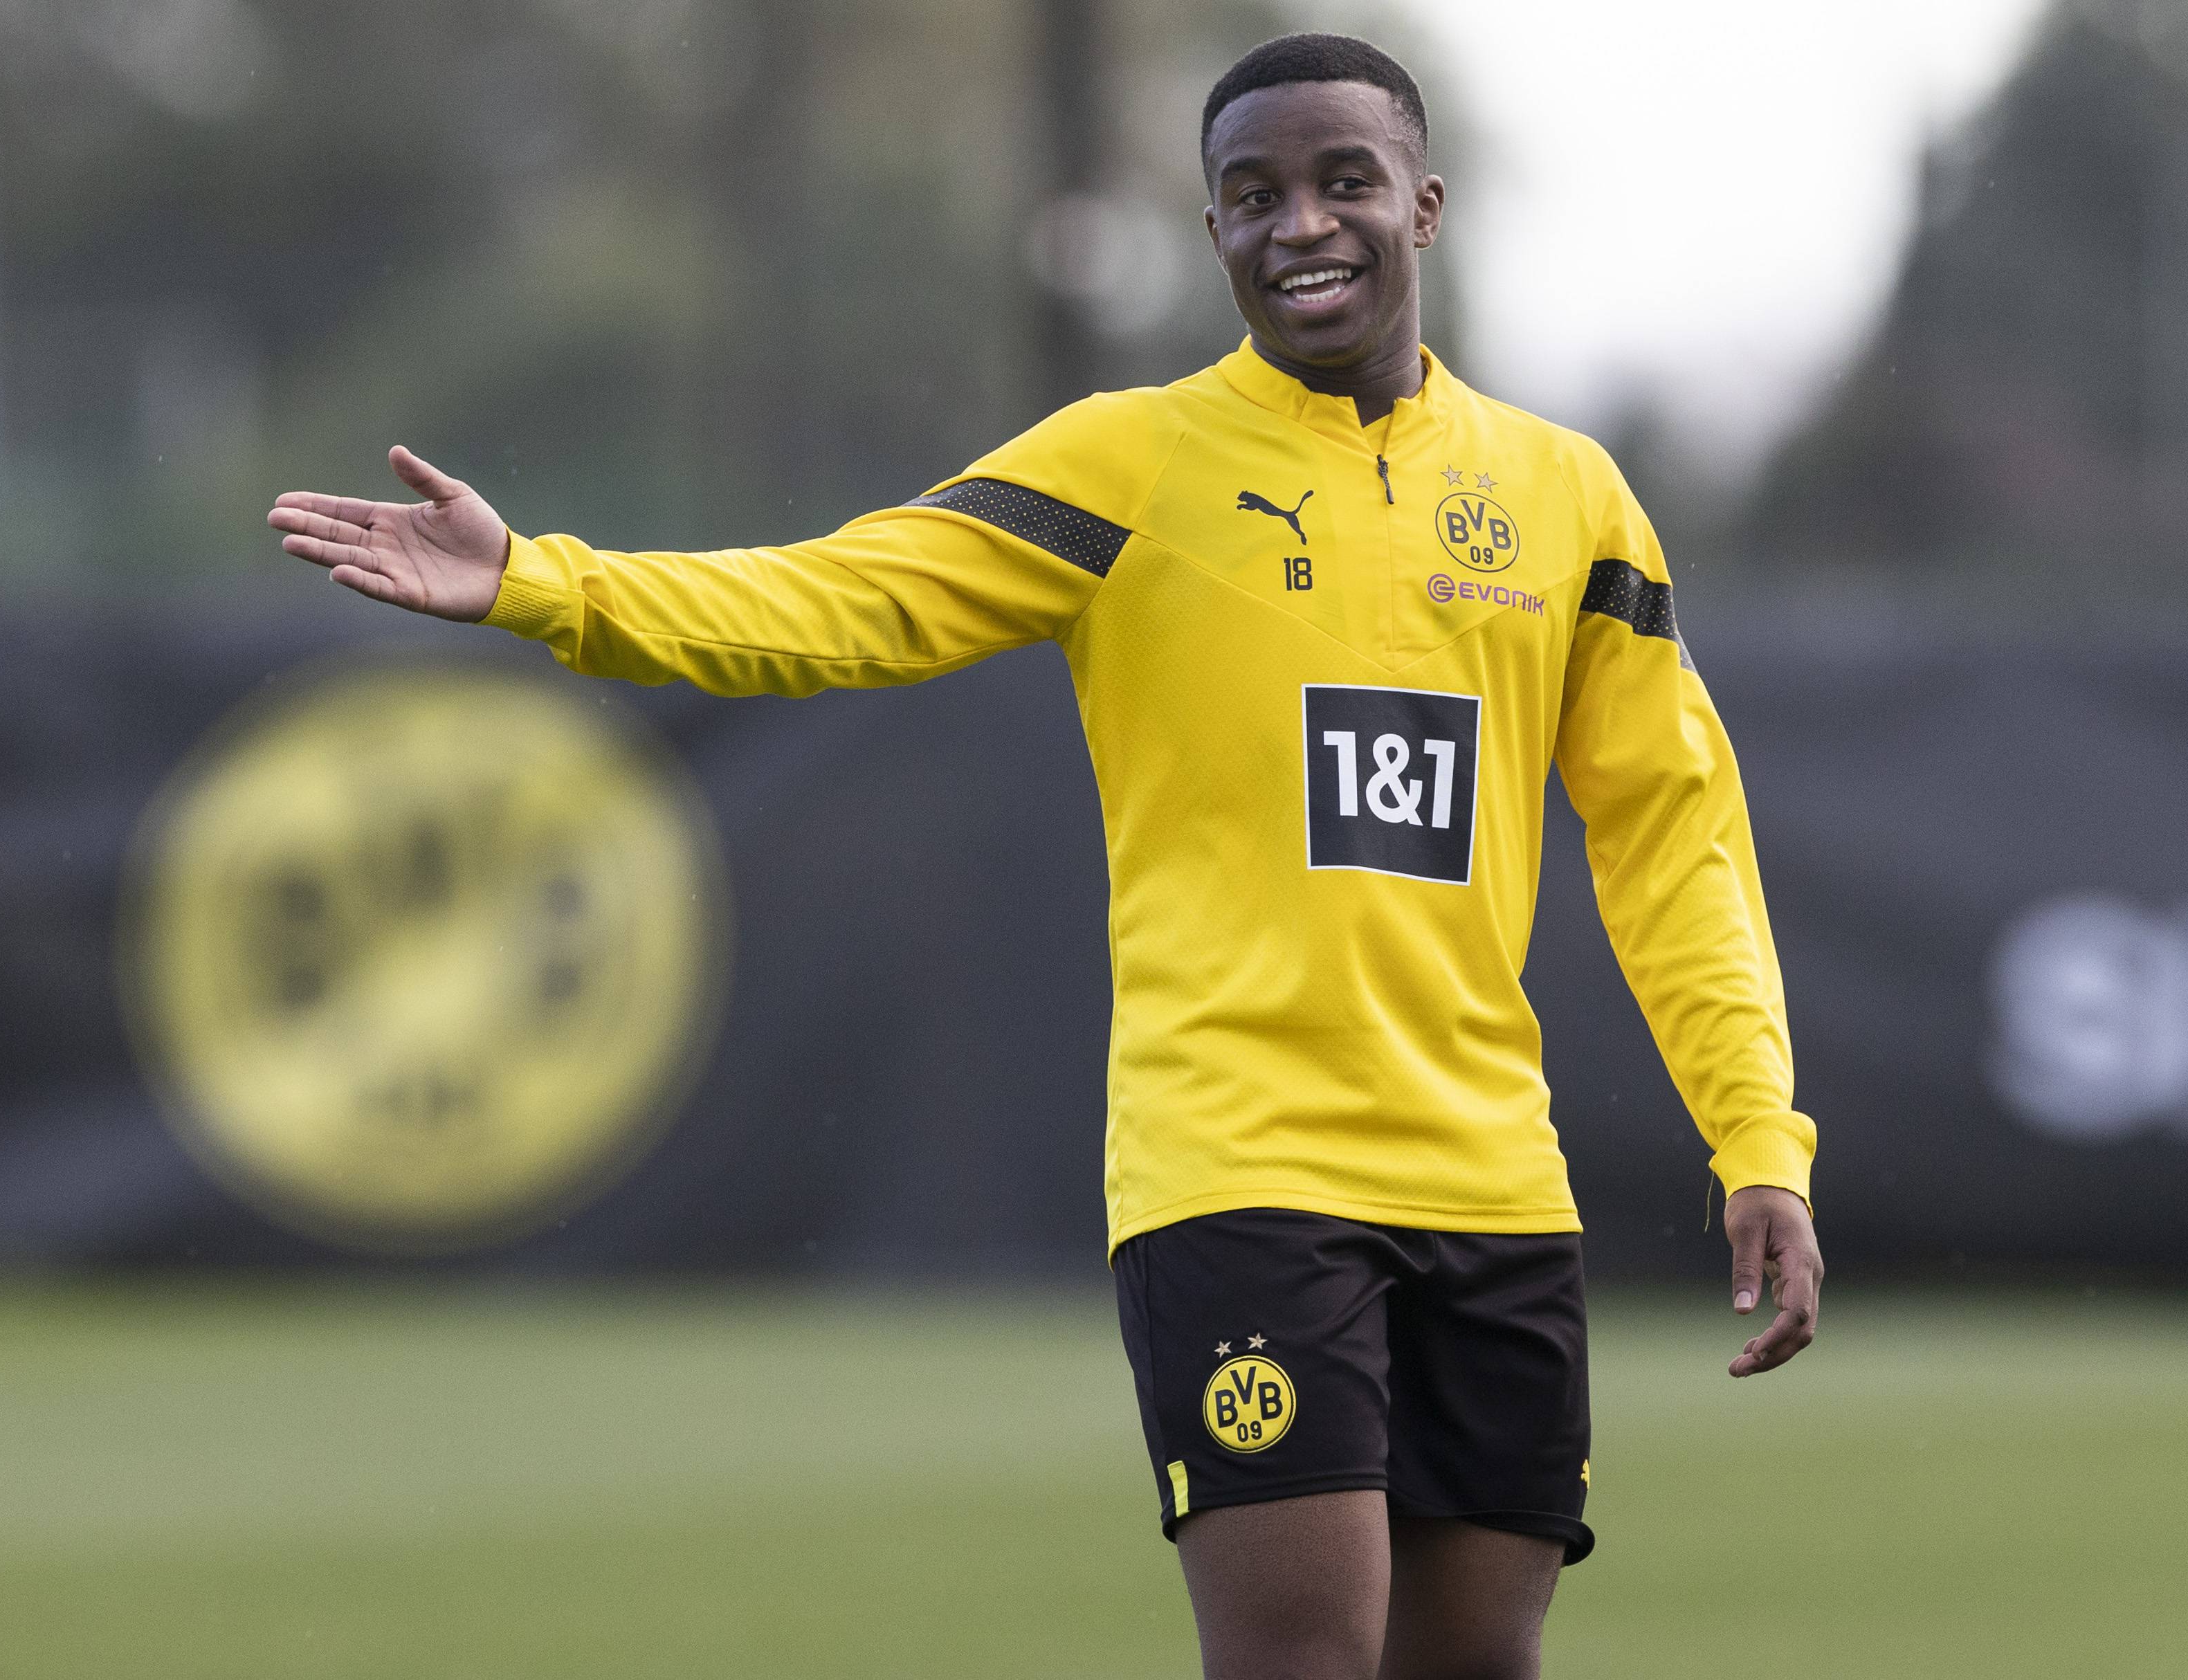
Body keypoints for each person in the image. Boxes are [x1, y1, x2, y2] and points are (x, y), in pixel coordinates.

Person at [268, 32, 1823, 1680]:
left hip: (1495, 1183)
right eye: (1250, 194)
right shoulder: (1131, 462)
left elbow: (1674, 838)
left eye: (1341, 180)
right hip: (1243, 1171)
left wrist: (1758, 1140)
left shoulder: (1569, 500)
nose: (1300, 222)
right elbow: (846, 599)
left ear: (1423, 207)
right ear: (1213, 233)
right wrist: (545, 581)